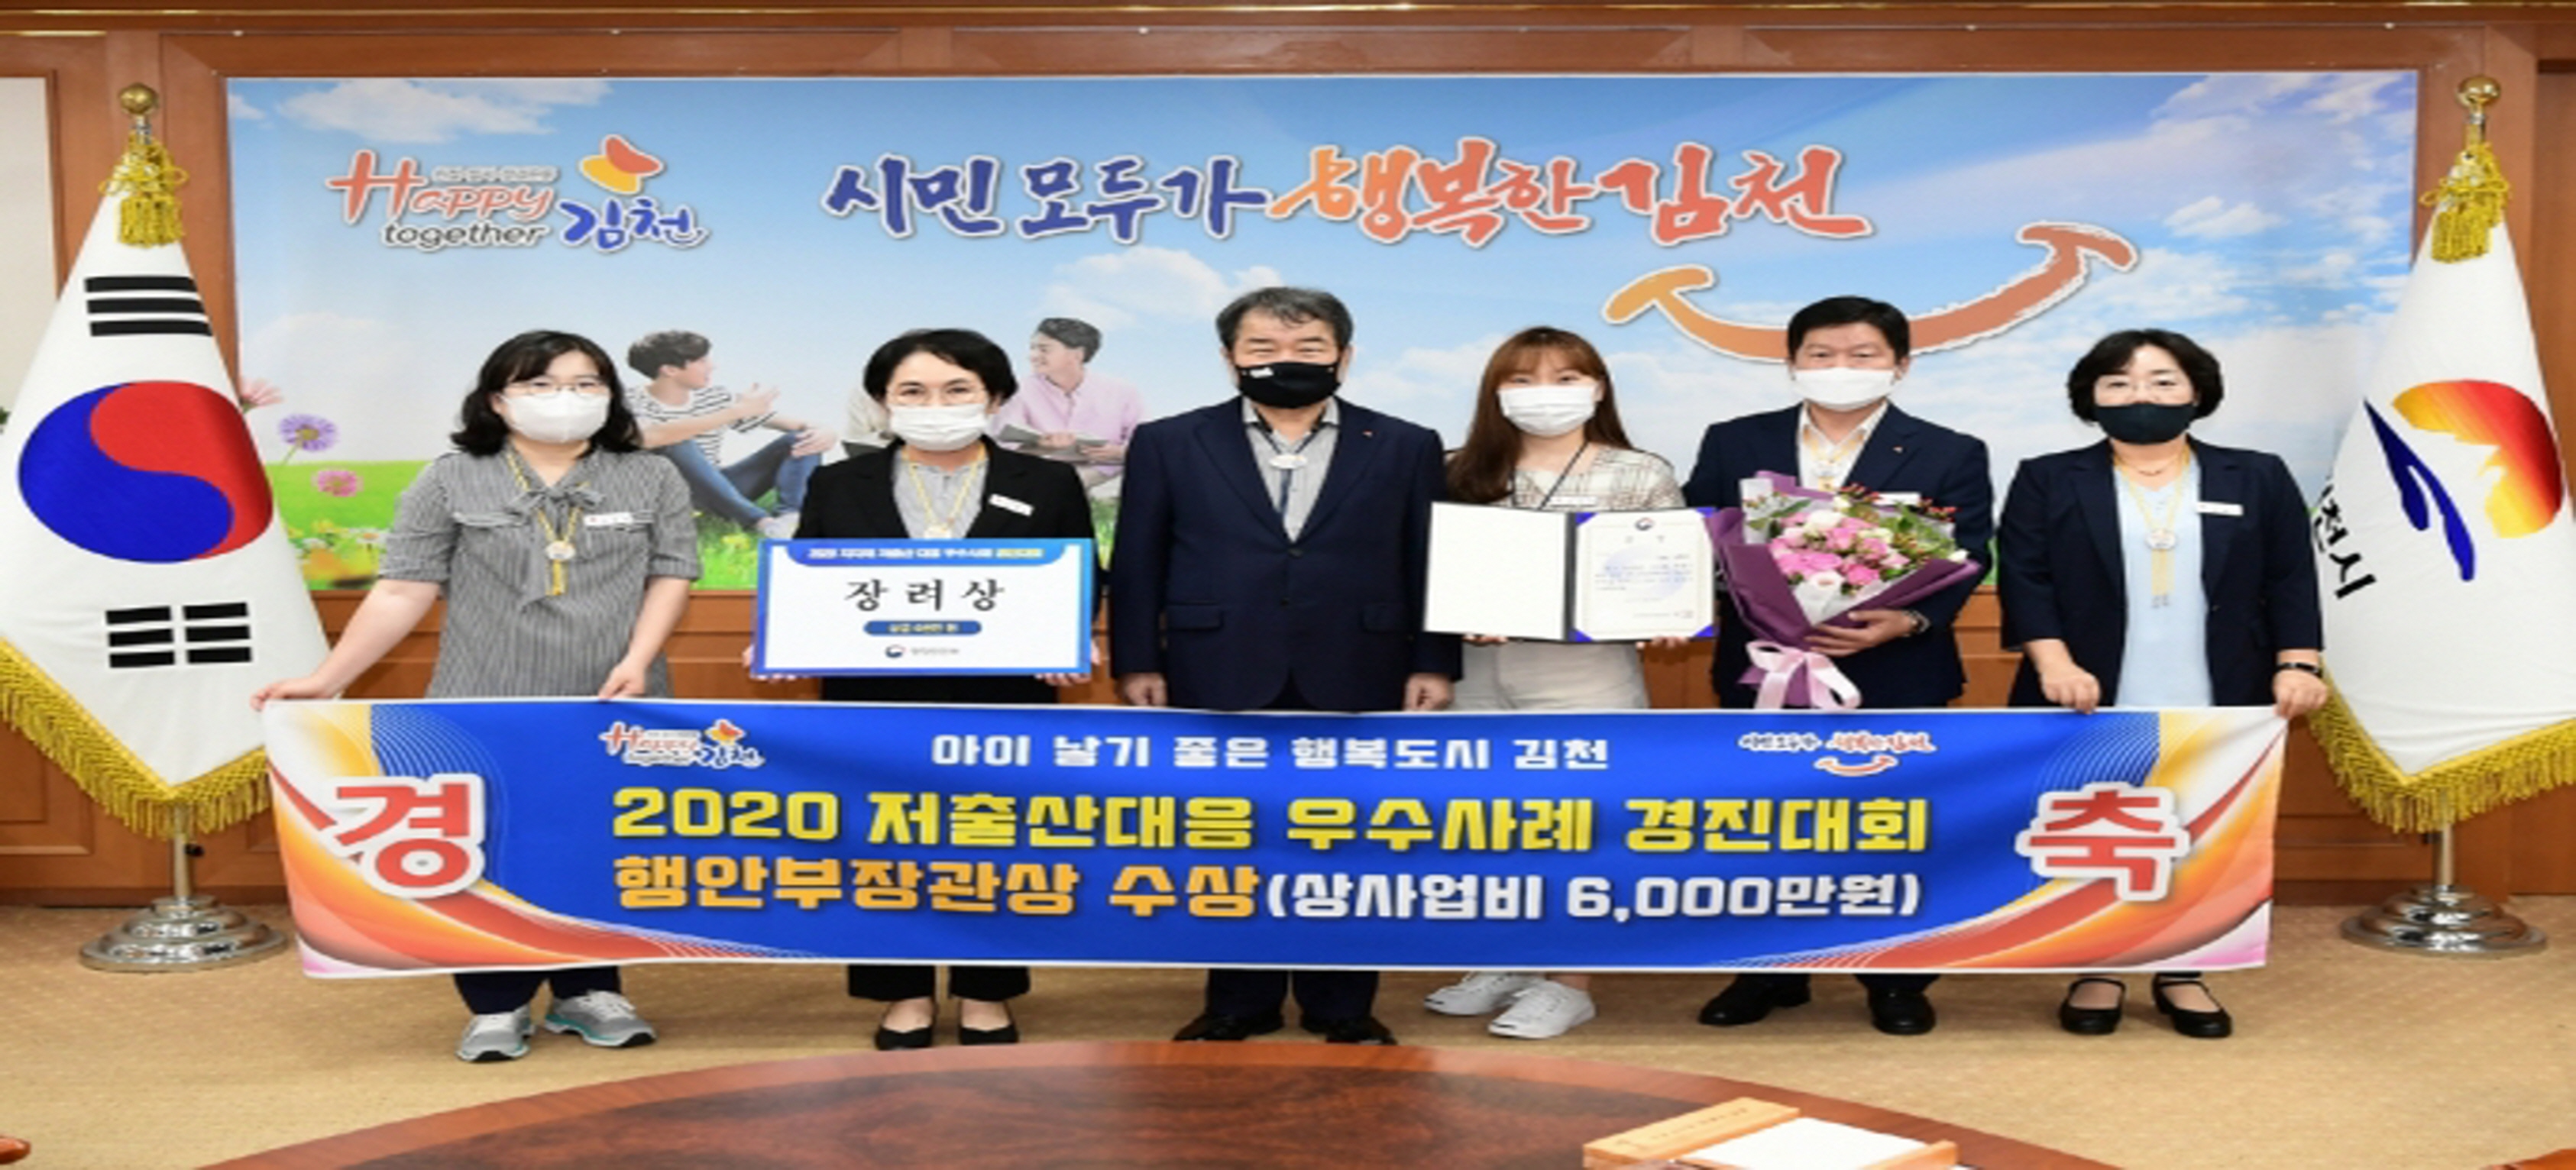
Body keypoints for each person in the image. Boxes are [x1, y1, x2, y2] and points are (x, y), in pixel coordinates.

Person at [254, 329, 698, 1062]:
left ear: (610, 395)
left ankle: (589, 991)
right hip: (482, 700)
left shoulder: (650, 476)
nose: (565, 398)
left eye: (585, 384)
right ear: (498, 399)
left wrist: (640, 659)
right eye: (540, 384)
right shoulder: (451, 479)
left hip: (612, 699)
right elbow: (402, 589)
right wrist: (326, 678)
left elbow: (672, 574)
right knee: (487, 849)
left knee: (597, 841)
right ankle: (496, 1003)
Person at [1110, 286, 1460, 1046]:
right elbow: (1138, 559)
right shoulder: (1171, 440)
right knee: (1231, 836)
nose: (1286, 361)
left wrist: (1433, 660)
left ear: (1344, 355)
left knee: (1348, 839)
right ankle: (1239, 1002)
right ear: (1230, 357)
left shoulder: (1405, 443)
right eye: (1263, 348)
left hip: (1362, 664)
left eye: (1308, 347)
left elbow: (1429, 559)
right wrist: (1137, 658)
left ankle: (1343, 1006)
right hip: (1215, 665)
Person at [1997, 328, 2325, 1039]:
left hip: (2222, 686)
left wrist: (2299, 662)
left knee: (2204, 826)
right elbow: (2026, 579)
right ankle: (2100, 965)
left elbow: (2290, 576)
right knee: (2103, 826)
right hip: (2087, 690)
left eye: (2162, 380)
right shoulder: (2048, 477)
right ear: (2089, 397)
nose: (2139, 394)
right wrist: (2054, 664)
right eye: (2118, 383)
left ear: (2197, 391)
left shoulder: (2256, 474)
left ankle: (2187, 967)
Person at [1681, 294, 1992, 1037]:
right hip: (1764, 667)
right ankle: (1767, 970)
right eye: (1821, 354)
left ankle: (1896, 977)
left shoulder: (1950, 449)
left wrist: (1909, 618)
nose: (1840, 367)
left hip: (1895, 670)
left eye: (1863, 355)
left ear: (1900, 364)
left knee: (1892, 826)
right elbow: (1697, 536)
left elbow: (1970, 552)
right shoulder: (1735, 440)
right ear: (1792, 362)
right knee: (1766, 823)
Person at [790, 328, 1094, 1050]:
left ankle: (988, 992)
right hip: (874, 700)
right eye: (913, 392)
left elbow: (1083, 575)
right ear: (883, 402)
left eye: (957, 390)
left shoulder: (1046, 482)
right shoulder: (841, 483)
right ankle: (902, 994)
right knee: (883, 843)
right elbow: (810, 577)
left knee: (996, 841)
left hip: (1006, 698)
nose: (936, 405)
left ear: (995, 398)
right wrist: (788, 636)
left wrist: (1069, 640)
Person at [1419, 326, 1685, 1040]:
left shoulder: (1638, 472)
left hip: (1585, 670)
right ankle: (1507, 960)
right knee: (1486, 824)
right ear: (1495, 392)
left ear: (1597, 388)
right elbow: (1419, 566)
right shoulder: (1453, 469)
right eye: (1523, 378)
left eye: (1567, 378)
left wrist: (1666, 614)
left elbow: (1669, 572)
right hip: (1474, 669)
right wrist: (1456, 612)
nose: (1546, 393)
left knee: (1583, 827)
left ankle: (1571, 983)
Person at [625, 329, 835, 538]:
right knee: (678, 443)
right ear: (670, 370)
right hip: (665, 498)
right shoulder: (629, 401)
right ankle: (761, 522)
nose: (712, 366)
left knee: (800, 439)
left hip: (719, 492)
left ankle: (791, 519)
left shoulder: (715, 398)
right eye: (701, 361)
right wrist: (735, 412)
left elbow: (799, 425)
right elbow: (647, 438)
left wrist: (825, 431)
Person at [991, 317, 1145, 492]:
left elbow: (1143, 440)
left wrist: (1121, 452)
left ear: (1077, 355)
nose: (1033, 356)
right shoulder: (1018, 390)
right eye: (1032, 348)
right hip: (1040, 466)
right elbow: (1004, 445)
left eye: (1044, 349)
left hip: (1101, 468)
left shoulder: (1122, 391)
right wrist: (1042, 446)